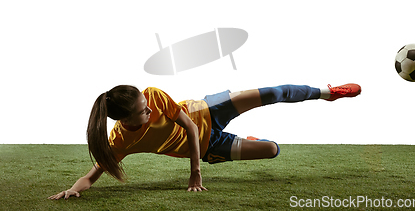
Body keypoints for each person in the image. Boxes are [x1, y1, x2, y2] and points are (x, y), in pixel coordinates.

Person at [48, 83, 361, 199]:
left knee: (273, 94)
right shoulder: (120, 142)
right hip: (211, 146)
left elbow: (185, 125)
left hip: (208, 111)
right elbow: (94, 174)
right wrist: (75, 189)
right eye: (145, 111)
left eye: (147, 102)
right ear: (126, 121)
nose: (152, 108)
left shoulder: (154, 95)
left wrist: (194, 171)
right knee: (271, 150)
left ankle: (327, 93)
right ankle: (244, 141)